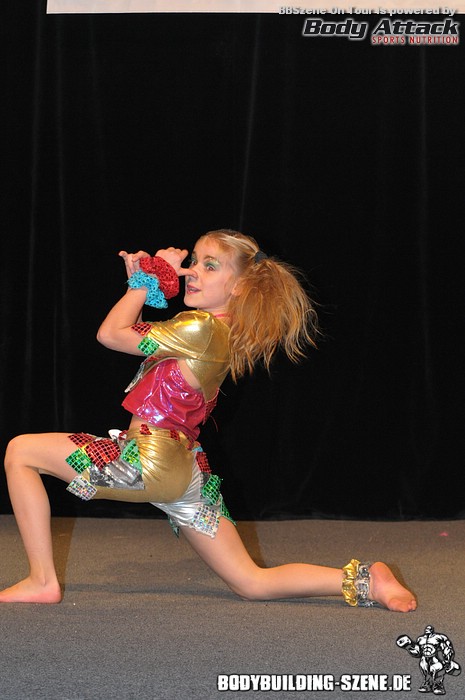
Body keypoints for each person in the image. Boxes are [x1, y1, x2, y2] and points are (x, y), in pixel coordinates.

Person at [0, 229, 416, 611]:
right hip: (185, 472)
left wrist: (144, 282)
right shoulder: (218, 330)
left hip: (147, 463)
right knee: (251, 581)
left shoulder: (199, 326)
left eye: (210, 266)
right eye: (194, 261)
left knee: (20, 452)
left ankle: (42, 580)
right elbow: (138, 335)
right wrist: (149, 281)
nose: (193, 271)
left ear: (239, 286)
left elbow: (110, 334)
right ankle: (368, 581)